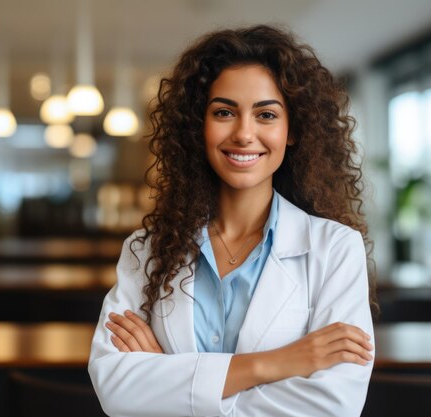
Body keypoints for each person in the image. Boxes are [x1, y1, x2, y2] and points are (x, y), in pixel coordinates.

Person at [88, 24, 377, 417]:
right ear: (198, 127)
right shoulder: (147, 249)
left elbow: (332, 407)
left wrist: (171, 381)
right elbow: (116, 389)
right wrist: (274, 364)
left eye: (266, 114)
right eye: (224, 112)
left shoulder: (336, 248)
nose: (244, 133)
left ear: (292, 130)